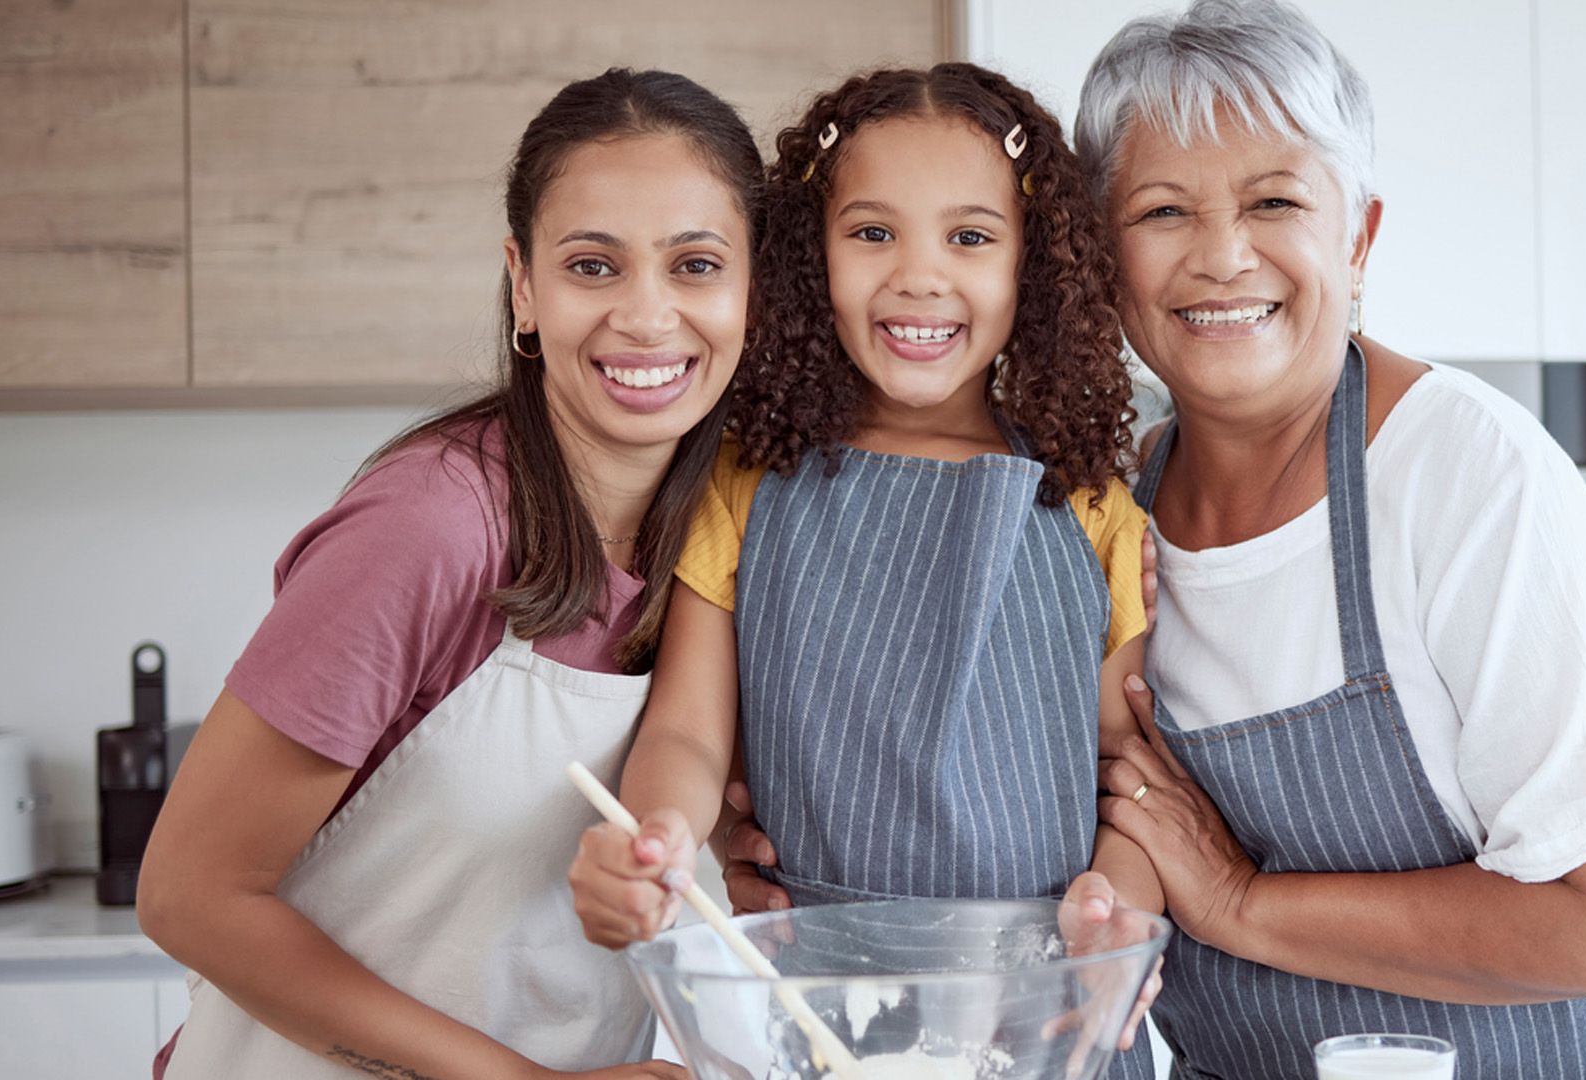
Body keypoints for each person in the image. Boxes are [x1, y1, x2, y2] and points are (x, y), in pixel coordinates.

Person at [1064, 1, 1586, 1076]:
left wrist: (1237, 901)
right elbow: (1106, 809)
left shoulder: (1468, 475)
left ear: (1358, 237)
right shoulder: (1110, 513)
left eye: (1275, 201)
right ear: (1103, 260)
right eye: (1163, 211)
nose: (1222, 256)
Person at [136, 68, 761, 1079]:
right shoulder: (430, 527)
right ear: (524, 284)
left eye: (695, 265)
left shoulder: (720, 530)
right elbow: (187, 896)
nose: (648, 317)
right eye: (592, 265)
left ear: (754, 288)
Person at [566, 63, 1162, 1078]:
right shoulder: (749, 485)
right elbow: (686, 734)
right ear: (812, 257)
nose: (919, 277)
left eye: (970, 238)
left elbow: (1132, 783)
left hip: (1045, 1019)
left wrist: (1117, 909)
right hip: (819, 1013)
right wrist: (660, 832)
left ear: (1034, 266)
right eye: (873, 232)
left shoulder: (1090, 505)